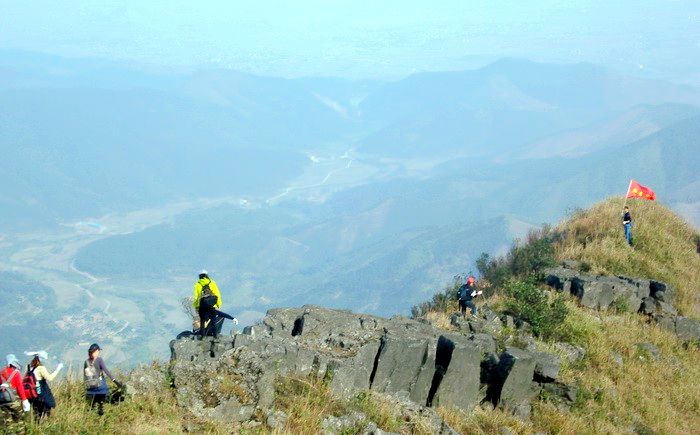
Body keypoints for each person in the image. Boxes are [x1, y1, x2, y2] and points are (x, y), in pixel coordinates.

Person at [84, 343, 121, 416]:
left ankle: (93, 410)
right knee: (103, 393)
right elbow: (106, 371)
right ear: (96, 351)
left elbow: (85, 375)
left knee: (94, 398)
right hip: (100, 384)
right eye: (98, 351)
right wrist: (114, 380)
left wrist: (87, 386)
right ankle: (101, 407)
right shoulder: (99, 360)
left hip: (90, 385)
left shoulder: (86, 362)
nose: (99, 352)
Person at [24, 351, 63, 418]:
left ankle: (37, 426)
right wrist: (58, 369)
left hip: (32, 394)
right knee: (47, 407)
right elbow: (50, 378)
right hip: (41, 392)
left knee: (36, 413)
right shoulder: (40, 368)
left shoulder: (30, 368)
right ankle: (43, 425)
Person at [1, 354, 31, 432]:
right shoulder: (16, 373)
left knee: (8, 422)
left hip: (3, 401)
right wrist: (24, 400)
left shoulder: (1, 372)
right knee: (19, 420)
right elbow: (20, 388)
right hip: (14, 400)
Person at [192, 270, 223, 339]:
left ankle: (203, 335)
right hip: (212, 305)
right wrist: (218, 304)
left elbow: (196, 297)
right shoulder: (212, 283)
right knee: (213, 320)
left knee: (203, 321)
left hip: (202, 306)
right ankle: (214, 335)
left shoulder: (197, 284)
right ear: (207, 275)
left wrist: (196, 307)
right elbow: (217, 294)